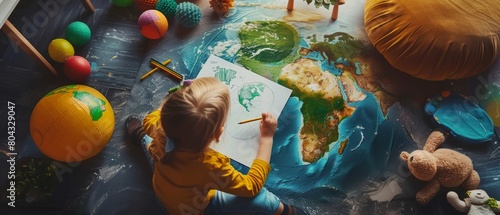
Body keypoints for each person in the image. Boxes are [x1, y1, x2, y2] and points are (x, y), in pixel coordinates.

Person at [125, 77, 308, 215]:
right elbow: (252, 185)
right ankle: (284, 211)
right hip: (190, 208)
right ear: (218, 133)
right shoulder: (211, 165)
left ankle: (139, 135)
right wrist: (267, 137)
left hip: (161, 190)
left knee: (153, 146)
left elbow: (155, 115)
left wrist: (184, 99)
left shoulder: (158, 125)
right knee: (259, 198)